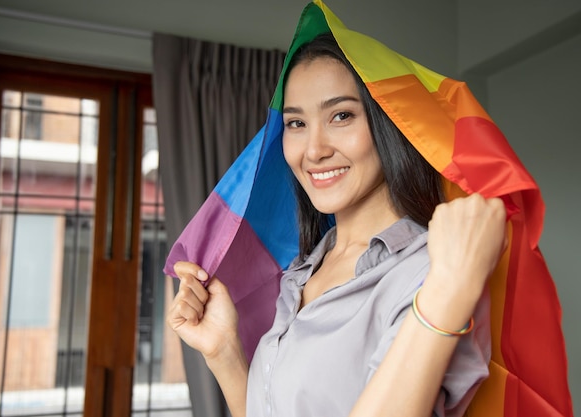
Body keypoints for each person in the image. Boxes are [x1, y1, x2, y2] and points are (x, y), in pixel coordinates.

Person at [167, 32, 507, 417]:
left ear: (389, 124)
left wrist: (450, 288)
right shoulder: (301, 274)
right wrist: (225, 353)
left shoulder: (435, 271)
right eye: (296, 123)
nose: (314, 150)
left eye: (341, 115)